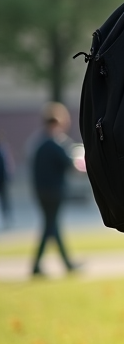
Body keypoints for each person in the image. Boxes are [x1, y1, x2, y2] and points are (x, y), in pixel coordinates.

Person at [29, 102, 79, 276]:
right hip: (54, 191)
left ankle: (64, 263)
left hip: (42, 191)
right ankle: (42, 265)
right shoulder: (55, 143)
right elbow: (70, 163)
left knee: (52, 226)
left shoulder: (38, 143)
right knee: (51, 226)